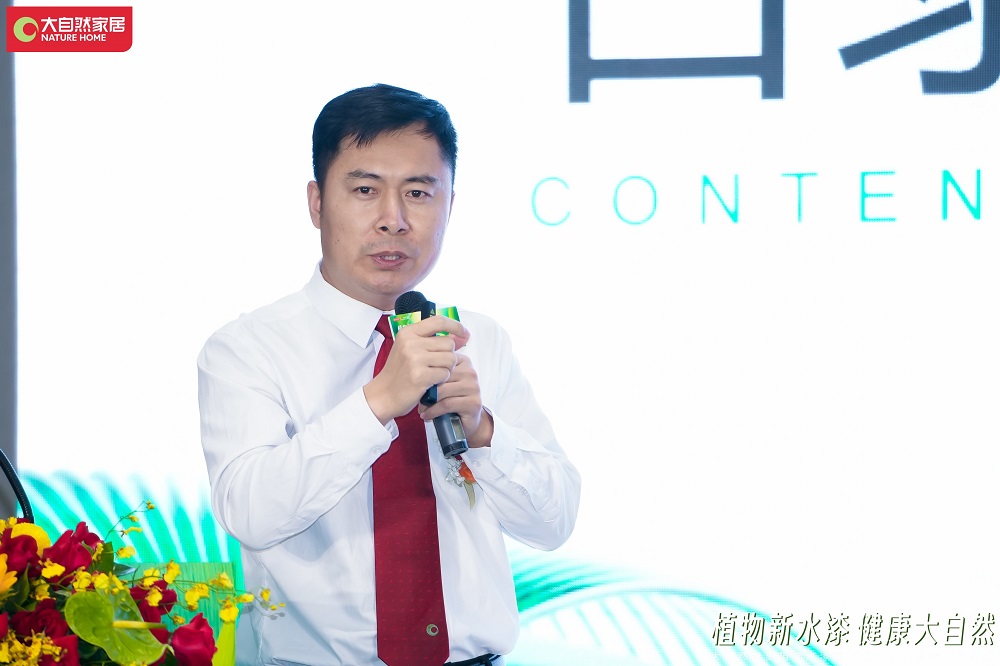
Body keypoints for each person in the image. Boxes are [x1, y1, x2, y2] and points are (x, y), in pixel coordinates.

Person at [197, 83, 581, 666]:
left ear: (450, 205)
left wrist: (482, 431)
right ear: (317, 203)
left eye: (419, 193)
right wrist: (378, 403)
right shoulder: (247, 349)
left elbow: (554, 523)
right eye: (365, 190)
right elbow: (250, 513)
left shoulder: (479, 339)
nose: (393, 220)